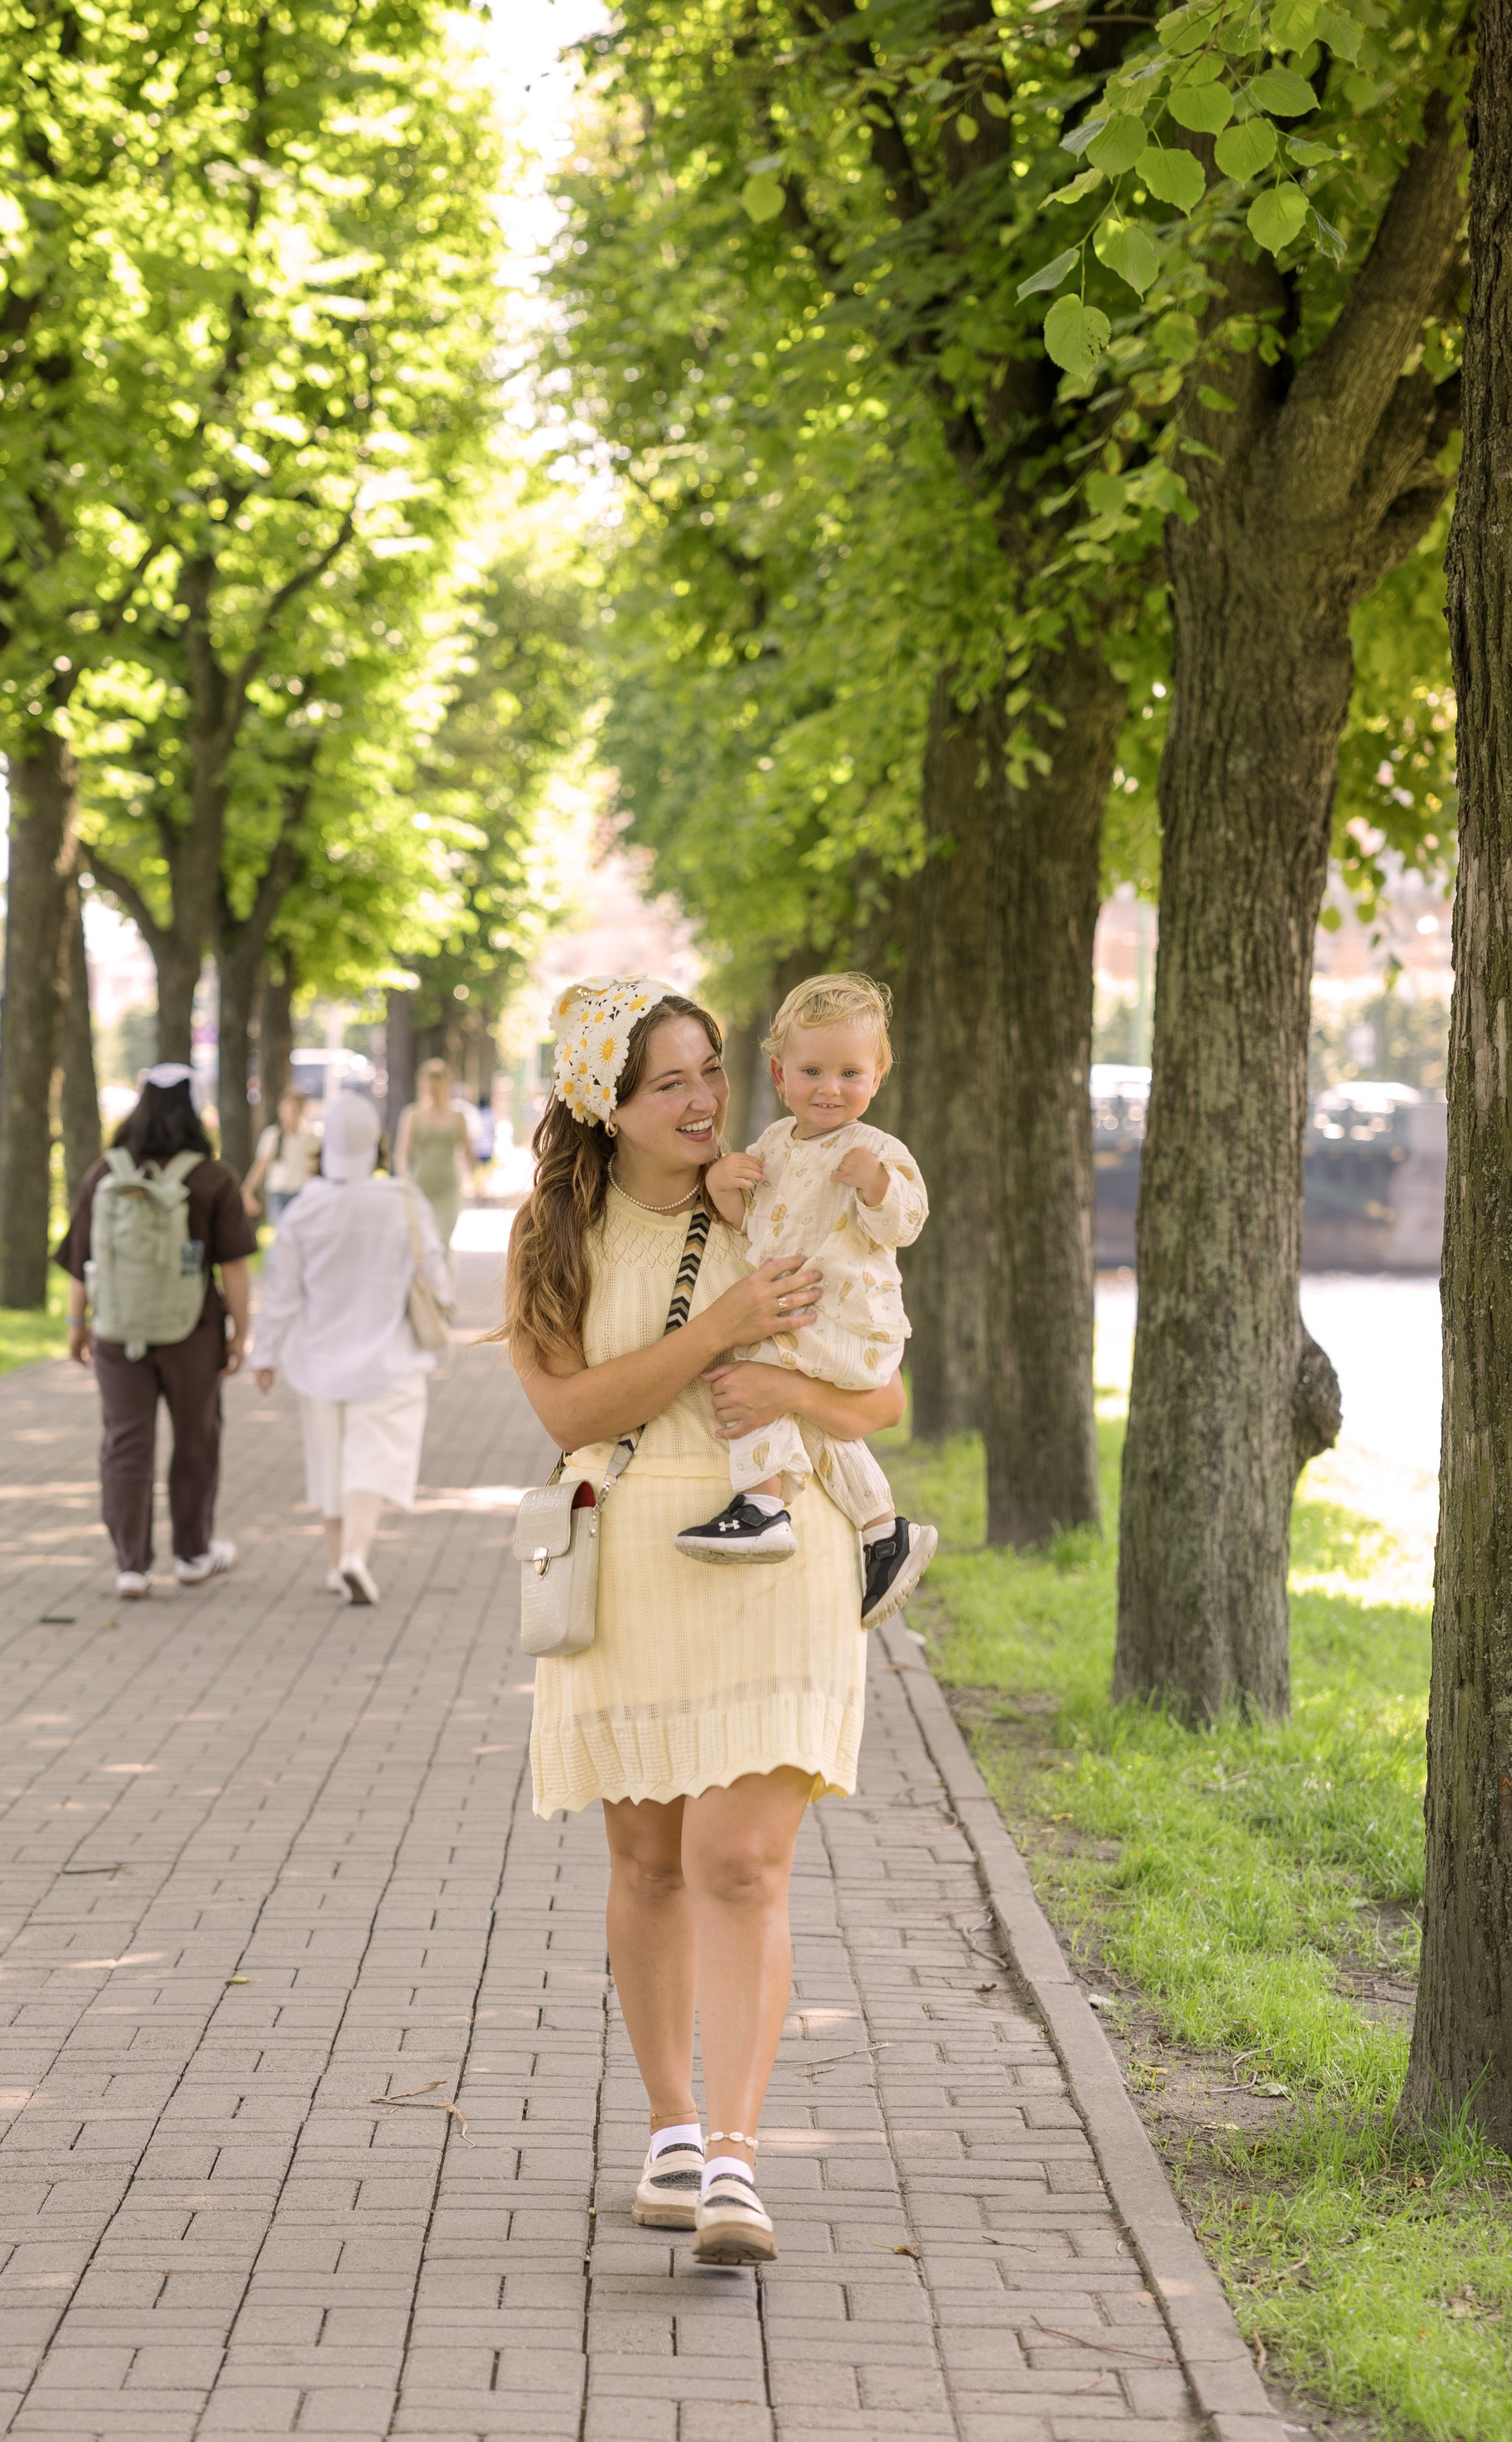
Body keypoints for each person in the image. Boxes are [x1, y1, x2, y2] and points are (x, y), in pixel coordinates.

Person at [506, 975, 904, 2269]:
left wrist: (780, 1374)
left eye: (709, 1071)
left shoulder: (786, 1188)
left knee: (742, 1859)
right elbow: (571, 1413)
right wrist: (726, 1326)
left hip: (780, 1546)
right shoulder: (553, 1236)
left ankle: (735, 2155)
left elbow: (880, 1397)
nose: (700, 1100)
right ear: (604, 1103)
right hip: (631, 1554)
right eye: (667, 1080)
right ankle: (671, 2127)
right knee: (650, 1862)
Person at [679, 971, 938, 1627]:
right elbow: (750, 1226)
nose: (830, 1088)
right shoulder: (772, 1146)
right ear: (779, 1073)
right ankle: (885, 1530)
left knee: (754, 1378)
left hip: (848, 1320)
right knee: (815, 1423)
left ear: (878, 1075)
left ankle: (764, 1505)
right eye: (813, 1070)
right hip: (805, 1317)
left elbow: (907, 1221)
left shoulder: (876, 1149)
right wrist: (722, 1183)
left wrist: (879, 1186)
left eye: (850, 1072)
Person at [57, 1064, 255, 1600]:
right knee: (196, 1438)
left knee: (125, 1442)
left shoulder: (105, 1173)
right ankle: (192, 1554)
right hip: (193, 1332)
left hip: (118, 1332)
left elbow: (84, 1260)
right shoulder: (213, 1177)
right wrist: (240, 1331)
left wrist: (78, 1325)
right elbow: (234, 1266)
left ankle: (131, 1565)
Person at [249, 1090, 452, 1606]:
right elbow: (436, 1274)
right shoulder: (403, 1199)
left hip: (317, 1359)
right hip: (389, 1357)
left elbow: (281, 1293)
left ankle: (339, 1564)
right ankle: (355, 1557)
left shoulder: (304, 1209)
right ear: (378, 1146)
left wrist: (265, 1353)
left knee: (329, 1464)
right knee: (371, 1459)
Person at [396, 1058, 477, 1281]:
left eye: (438, 1085)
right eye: (429, 1085)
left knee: (442, 1242)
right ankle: (427, 1295)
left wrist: (478, 1183)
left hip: (449, 1189)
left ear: (446, 1085)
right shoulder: (412, 1115)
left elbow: (469, 1153)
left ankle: (444, 1296)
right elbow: (402, 1153)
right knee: (422, 1244)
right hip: (421, 1187)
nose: (433, 1090)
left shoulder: (458, 1117)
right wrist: (404, 1180)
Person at [242, 1085, 321, 1230]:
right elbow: (261, 1165)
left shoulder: (310, 1138)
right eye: (288, 1108)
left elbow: (317, 1167)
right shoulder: (272, 1136)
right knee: (281, 1235)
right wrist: (247, 1191)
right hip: (278, 1195)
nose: (291, 1113)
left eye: (295, 1109)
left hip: (302, 1194)